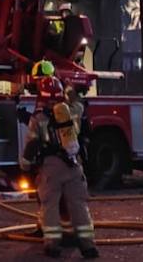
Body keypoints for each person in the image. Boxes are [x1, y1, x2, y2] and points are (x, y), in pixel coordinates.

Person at [20, 75, 98, 259]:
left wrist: (25, 166)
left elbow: (32, 143)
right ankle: (88, 246)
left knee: (50, 206)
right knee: (78, 205)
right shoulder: (73, 111)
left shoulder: (38, 117)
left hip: (51, 167)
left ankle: (53, 245)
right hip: (74, 163)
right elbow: (80, 106)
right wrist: (70, 88)